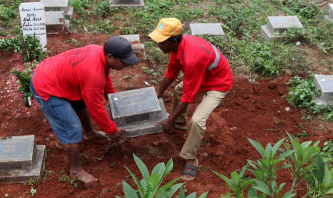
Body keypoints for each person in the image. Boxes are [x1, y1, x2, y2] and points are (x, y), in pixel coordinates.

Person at [30, 37, 139, 184]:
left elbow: (105, 80)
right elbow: (96, 108)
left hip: (59, 77)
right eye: (123, 61)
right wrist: (111, 129)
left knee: (80, 103)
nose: (126, 65)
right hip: (46, 87)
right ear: (110, 56)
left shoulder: (100, 53)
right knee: (72, 128)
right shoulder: (93, 75)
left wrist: (114, 99)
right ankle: (75, 170)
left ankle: (89, 133)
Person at [149, 18, 233, 181]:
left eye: (161, 42)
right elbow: (171, 72)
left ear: (173, 41)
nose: (158, 46)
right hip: (203, 77)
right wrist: (158, 93)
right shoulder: (177, 48)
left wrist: (169, 119)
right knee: (179, 90)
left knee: (197, 120)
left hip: (218, 83)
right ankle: (179, 123)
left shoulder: (192, 58)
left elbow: (189, 96)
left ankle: (190, 157)